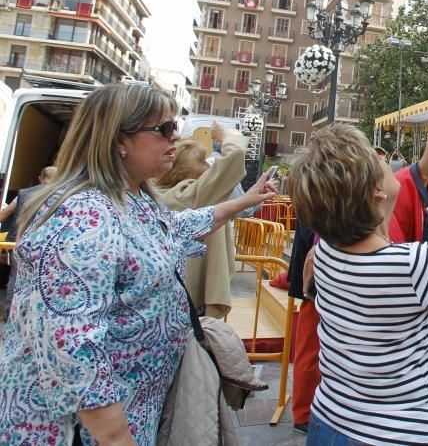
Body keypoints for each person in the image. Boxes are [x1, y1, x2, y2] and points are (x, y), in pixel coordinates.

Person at [0, 83, 277, 445]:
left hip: (132, 410)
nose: (175, 138)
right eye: (163, 129)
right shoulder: (82, 217)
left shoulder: (133, 199)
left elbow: (175, 228)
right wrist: (117, 437)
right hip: (75, 432)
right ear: (118, 140)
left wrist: (242, 203)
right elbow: (73, 352)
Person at [288, 123, 428, 445]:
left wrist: (427, 162)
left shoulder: (324, 253)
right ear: (376, 191)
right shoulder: (414, 265)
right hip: (394, 434)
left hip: (329, 421)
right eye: (380, 161)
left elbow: (392, 194)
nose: (386, 162)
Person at [154, 121, 249, 318]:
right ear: (184, 169)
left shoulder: (165, 194)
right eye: (202, 160)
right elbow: (234, 157)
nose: (208, 165)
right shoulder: (185, 196)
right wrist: (227, 135)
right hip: (188, 302)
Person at [0, 165, 56, 320]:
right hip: (47, 244)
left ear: (40, 178)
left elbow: (4, 215)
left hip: (20, 241)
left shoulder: (24, 194)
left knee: (16, 277)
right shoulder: (62, 195)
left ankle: (10, 314)